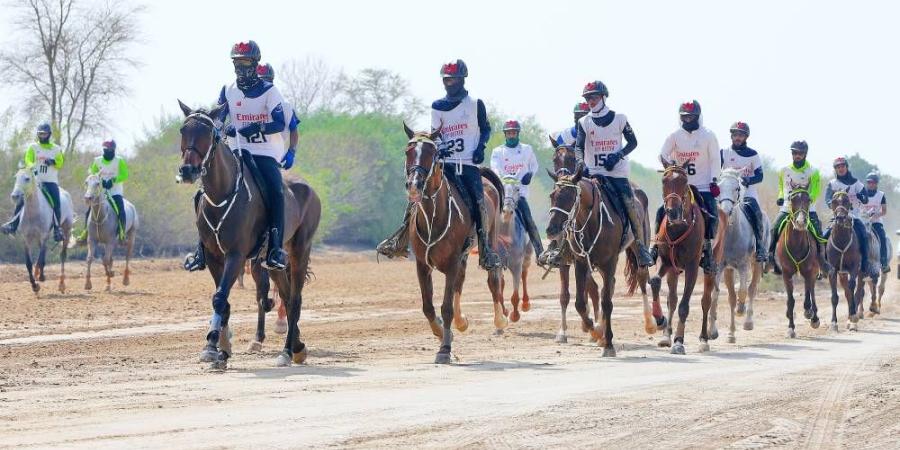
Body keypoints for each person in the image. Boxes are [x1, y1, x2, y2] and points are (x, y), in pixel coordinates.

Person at [376, 59, 501, 270]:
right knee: (417, 192)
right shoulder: (437, 106)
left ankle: (485, 250)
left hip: (468, 164)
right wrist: (438, 148)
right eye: (446, 78)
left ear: (462, 79)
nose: (448, 82)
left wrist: (480, 147)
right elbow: (436, 133)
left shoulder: (475, 104)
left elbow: (486, 128)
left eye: (452, 78)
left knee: (479, 201)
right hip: (444, 163)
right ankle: (401, 237)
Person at [183, 40, 290, 272]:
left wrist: (257, 128)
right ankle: (201, 250)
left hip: (263, 152)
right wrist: (221, 128)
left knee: (276, 191)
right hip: (235, 150)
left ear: (255, 63)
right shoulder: (228, 89)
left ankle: (275, 249)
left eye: (245, 63)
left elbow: (280, 122)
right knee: (201, 193)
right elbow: (219, 117)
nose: (240, 68)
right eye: (236, 63)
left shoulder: (270, 91)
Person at [574, 80, 654, 267]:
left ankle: (641, 248)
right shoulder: (583, 122)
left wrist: (618, 155)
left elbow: (633, 142)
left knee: (629, 204)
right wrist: (579, 161)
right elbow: (578, 146)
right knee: (572, 200)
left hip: (617, 174)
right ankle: (564, 245)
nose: (590, 101)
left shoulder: (620, 118)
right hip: (593, 173)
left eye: (593, 97)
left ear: (603, 97)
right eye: (588, 98)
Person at [656, 100, 721, 273]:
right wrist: (672, 167)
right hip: (679, 185)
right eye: (684, 116)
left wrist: (714, 180)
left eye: (691, 116)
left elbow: (715, 159)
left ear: (697, 117)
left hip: (703, 185)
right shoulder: (674, 135)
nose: (687, 119)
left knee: (712, 214)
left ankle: (707, 250)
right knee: (659, 211)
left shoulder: (708, 135)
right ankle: (655, 246)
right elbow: (662, 153)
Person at [766, 141, 829, 274]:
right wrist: (780, 196)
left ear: (805, 154)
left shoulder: (813, 171)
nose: (797, 155)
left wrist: (809, 198)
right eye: (794, 153)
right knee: (774, 228)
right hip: (788, 207)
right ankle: (770, 258)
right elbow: (782, 187)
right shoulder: (784, 170)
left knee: (819, 233)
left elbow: (816, 190)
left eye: (800, 153)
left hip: (807, 208)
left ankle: (822, 261)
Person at [1, 123, 65, 241]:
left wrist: (53, 161)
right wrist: (32, 165)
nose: (42, 136)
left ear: (49, 134)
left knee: (57, 202)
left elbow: (60, 162)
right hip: (35, 181)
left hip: (50, 181)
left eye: (44, 134)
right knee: (21, 199)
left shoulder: (56, 148)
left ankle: (57, 229)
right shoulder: (33, 147)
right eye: (40, 134)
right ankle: (13, 225)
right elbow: (28, 159)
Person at [490, 119, 544, 258]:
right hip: (503, 194)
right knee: (488, 219)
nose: (511, 135)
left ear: (518, 133)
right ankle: (487, 254)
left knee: (529, 220)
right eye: (509, 133)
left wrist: (529, 175)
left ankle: (541, 253)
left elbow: (534, 166)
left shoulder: (527, 149)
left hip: (519, 194)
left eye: (514, 132)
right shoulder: (498, 151)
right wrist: (502, 181)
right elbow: (494, 169)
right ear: (505, 135)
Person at [720, 121, 767, 261]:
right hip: (727, 192)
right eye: (735, 135)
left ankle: (760, 247)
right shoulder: (724, 153)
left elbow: (760, 175)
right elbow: (715, 171)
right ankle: (707, 246)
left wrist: (748, 181)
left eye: (741, 135)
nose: (737, 138)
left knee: (757, 213)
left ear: (746, 137)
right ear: (731, 136)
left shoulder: (753, 154)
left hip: (747, 193)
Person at [823, 156, 871, 275]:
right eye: (838, 167)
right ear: (835, 169)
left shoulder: (856, 183)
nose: (840, 169)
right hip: (837, 215)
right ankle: (824, 266)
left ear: (847, 167)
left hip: (854, 216)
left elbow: (865, 199)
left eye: (842, 166)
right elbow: (828, 199)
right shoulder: (832, 183)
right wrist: (832, 205)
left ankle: (865, 264)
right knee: (824, 236)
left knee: (864, 236)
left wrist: (862, 197)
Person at [256, 63, 300, 163]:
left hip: (272, 155)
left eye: (266, 82)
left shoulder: (285, 107)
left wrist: (291, 151)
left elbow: (294, 131)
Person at [89, 140, 129, 242]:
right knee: (90, 210)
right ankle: (85, 233)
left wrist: (114, 180)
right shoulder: (97, 160)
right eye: (105, 149)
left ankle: (122, 233)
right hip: (101, 191)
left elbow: (125, 175)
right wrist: (100, 179)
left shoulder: (119, 160)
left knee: (121, 209)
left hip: (115, 191)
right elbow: (92, 172)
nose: (107, 151)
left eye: (110, 149)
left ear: (113, 150)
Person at [859, 172, 890, 273]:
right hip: (863, 221)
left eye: (873, 183)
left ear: (876, 184)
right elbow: (857, 207)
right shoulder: (861, 194)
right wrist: (863, 215)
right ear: (867, 183)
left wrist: (875, 216)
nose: (871, 184)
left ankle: (884, 262)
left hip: (876, 222)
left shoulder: (881, 195)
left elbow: (884, 210)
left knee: (882, 236)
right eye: (869, 182)